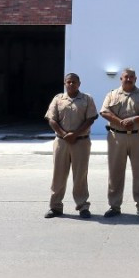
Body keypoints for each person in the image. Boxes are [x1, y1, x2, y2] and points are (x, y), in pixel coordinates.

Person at [100, 68, 139, 218]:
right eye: (126, 77)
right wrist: (120, 122)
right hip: (117, 137)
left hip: (138, 136)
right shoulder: (111, 95)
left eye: (132, 77)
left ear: (135, 79)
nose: (129, 79)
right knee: (115, 172)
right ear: (121, 78)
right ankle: (114, 206)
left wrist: (134, 120)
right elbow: (104, 112)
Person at [44, 73, 99, 218]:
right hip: (62, 142)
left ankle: (82, 206)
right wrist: (64, 134)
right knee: (59, 175)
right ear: (64, 83)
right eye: (68, 82)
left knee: (80, 175)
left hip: (81, 141)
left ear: (79, 83)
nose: (71, 84)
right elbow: (51, 119)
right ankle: (55, 207)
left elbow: (91, 119)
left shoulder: (87, 99)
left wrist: (74, 134)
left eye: (74, 82)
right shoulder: (58, 99)